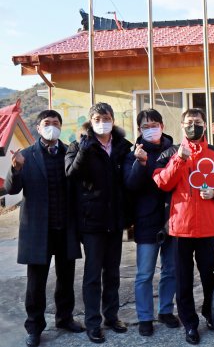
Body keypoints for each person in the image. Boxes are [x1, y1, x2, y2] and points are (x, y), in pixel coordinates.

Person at [152, 108, 214, 345]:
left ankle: (212, 314)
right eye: (189, 122)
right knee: (183, 279)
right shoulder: (170, 152)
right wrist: (179, 159)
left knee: (210, 276)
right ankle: (190, 324)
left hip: (207, 228)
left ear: (205, 125)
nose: (193, 126)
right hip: (179, 228)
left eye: (198, 122)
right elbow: (162, 182)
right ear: (182, 126)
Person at [5, 110, 84, 347]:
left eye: (56, 123)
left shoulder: (71, 153)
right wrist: (16, 169)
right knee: (36, 283)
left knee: (66, 278)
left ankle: (65, 318)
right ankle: (34, 327)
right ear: (38, 128)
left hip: (66, 227)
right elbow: (11, 190)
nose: (52, 127)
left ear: (61, 127)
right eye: (47, 123)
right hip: (38, 230)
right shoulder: (25, 156)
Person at [65, 102, 133, 343]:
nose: (102, 122)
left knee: (112, 272)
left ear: (113, 120)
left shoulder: (124, 146)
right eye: (97, 119)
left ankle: (111, 317)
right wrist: (84, 150)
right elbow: (71, 174)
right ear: (90, 122)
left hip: (115, 220)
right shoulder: (78, 146)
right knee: (92, 275)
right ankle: (93, 322)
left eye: (106, 118)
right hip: (91, 221)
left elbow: (129, 182)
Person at [123, 109, 179, 336]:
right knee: (144, 273)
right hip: (146, 221)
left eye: (154, 124)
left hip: (172, 219)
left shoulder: (175, 151)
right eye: (146, 126)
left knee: (171, 270)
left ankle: (166, 310)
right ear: (139, 130)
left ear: (162, 126)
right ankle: (145, 316)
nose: (151, 129)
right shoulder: (131, 154)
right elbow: (130, 185)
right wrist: (140, 163)